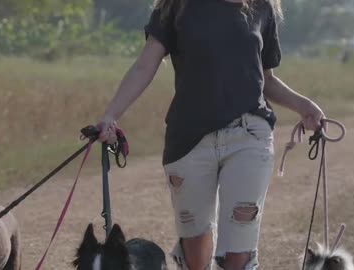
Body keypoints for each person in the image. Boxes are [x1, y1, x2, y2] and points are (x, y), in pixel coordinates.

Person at [96, 0, 324, 269]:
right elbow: (145, 66)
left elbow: (265, 79)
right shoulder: (175, 7)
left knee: (239, 249)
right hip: (189, 139)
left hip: (249, 135)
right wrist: (111, 115)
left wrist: (303, 105)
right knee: (195, 251)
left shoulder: (262, 7)